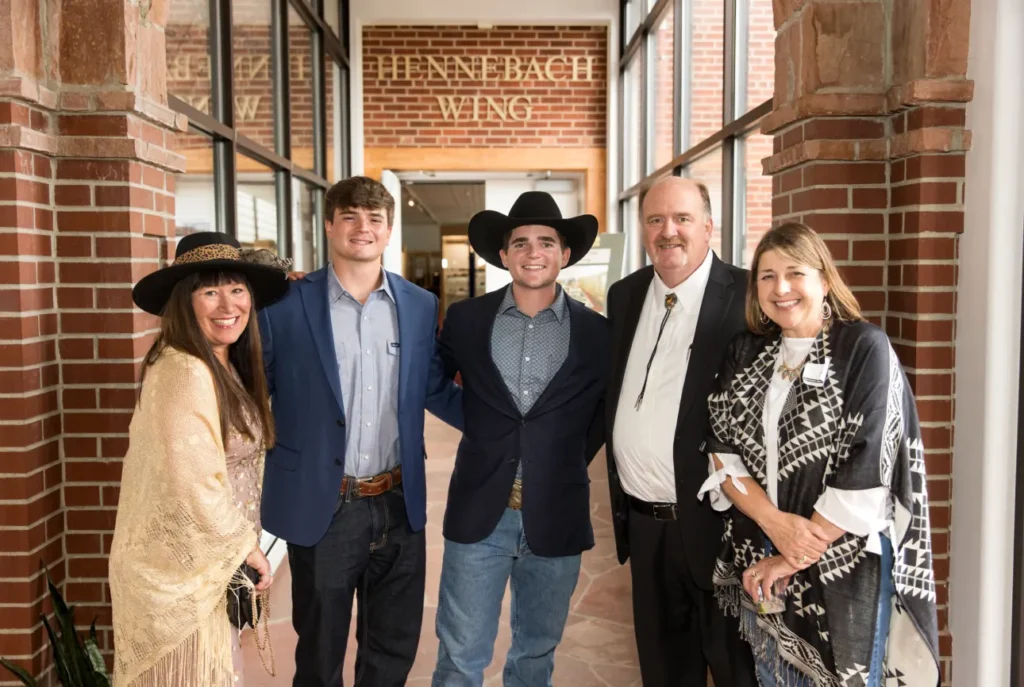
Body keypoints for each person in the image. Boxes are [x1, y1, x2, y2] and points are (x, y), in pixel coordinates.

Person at [697, 222, 940, 686]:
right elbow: (721, 453)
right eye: (766, 276)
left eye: (794, 273)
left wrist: (791, 556)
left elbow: (869, 469)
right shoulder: (746, 351)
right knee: (772, 675)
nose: (781, 288)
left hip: (842, 564)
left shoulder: (863, 349)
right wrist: (775, 524)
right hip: (761, 551)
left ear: (824, 280)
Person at [257, 176, 464, 687]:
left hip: (398, 503)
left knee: (391, 651)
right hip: (326, 507)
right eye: (349, 216)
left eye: (374, 218)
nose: (362, 227)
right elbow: (250, 393)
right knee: (321, 654)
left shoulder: (418, 305)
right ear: (329, 225)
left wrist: (509, 427)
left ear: (389, 230)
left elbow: (432, 386)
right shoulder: (284, 305)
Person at [431, 191, 609, 686]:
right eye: (522, 243)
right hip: (480, 516)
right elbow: (429, 380)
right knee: (460, 657)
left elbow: (603, 413)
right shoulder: (467, 319)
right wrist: (478, 421)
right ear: (504, 255)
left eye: (546, 242)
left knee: (535, 656)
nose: (534, 252)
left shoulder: (598, 334)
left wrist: (565, 452)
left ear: (565, 255)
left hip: (557, 516)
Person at [110, 232, 290, 686]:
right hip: (180, 576)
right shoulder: (186, 370)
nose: (227, 304)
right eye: (209, 291)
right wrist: (247, 548)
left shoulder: (219, 362)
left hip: (206, 567)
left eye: (237, 289)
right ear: (183, 303)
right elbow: (194, 481)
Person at [603, 176, 757, 686]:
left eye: (682, 219)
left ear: (709, 227)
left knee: (739, 673)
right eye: (655, 220)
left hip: (722, 531)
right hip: (646, 529)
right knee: (665, 673)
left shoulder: (748, 299)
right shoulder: (624, 296)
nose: (668, 231)